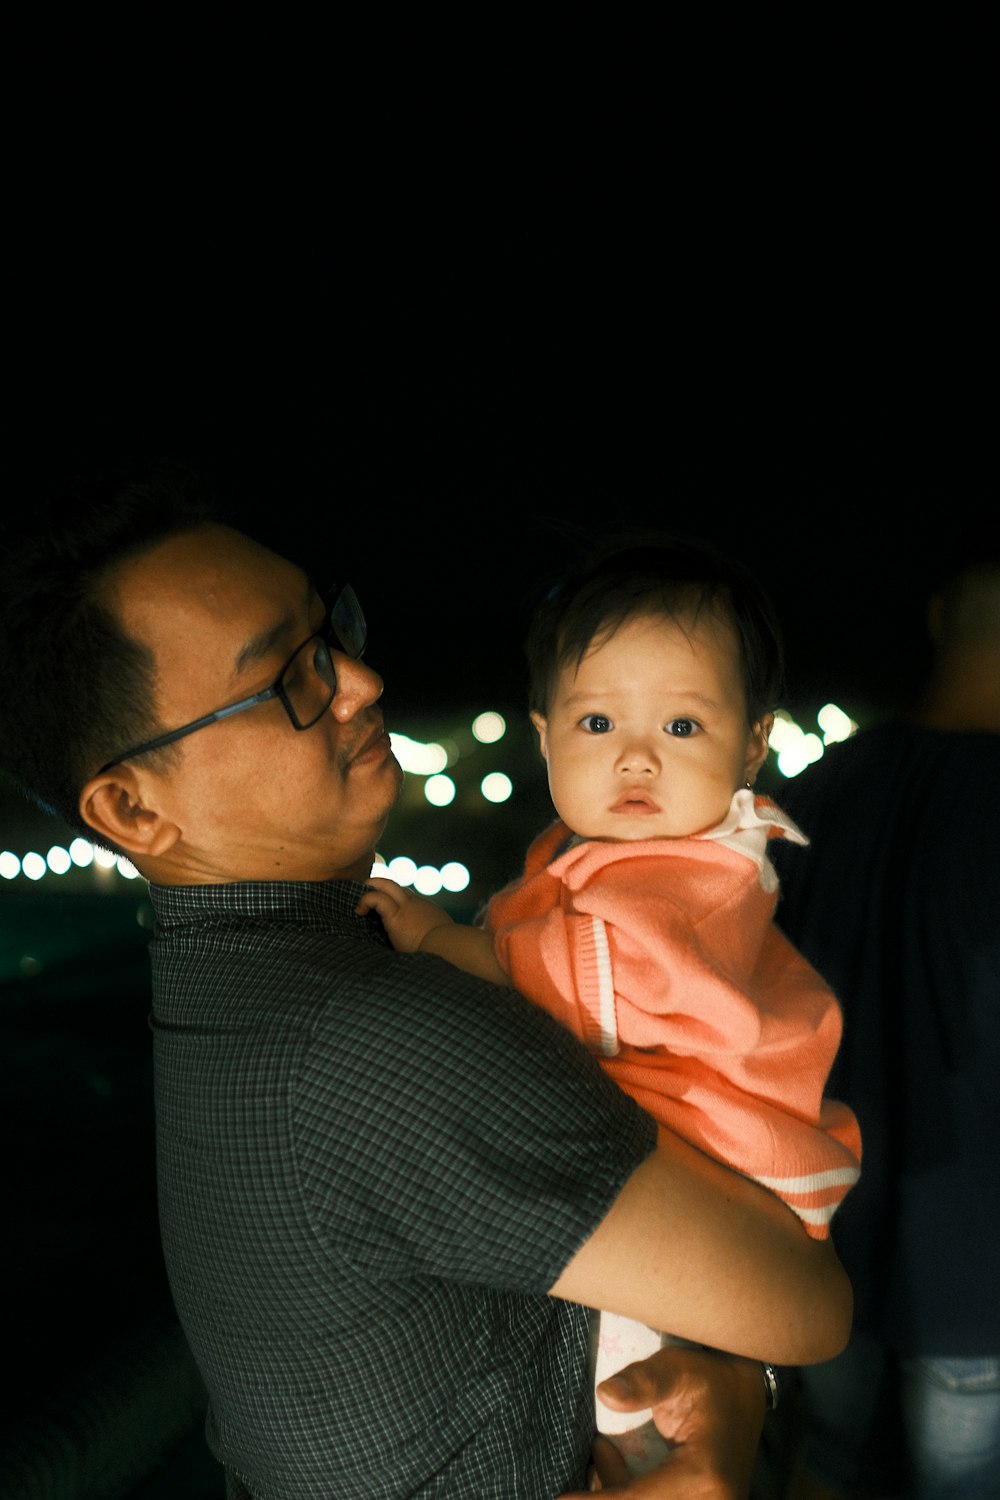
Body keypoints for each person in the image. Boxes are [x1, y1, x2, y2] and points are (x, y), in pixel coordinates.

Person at [0, 466, 852, 1500]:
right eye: (289, 678)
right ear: (133, 812)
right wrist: (738, 1391)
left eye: (334, 634)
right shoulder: (381, 1041)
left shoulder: (218, 1011)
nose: (360, 682)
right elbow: (809, 1306)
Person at [359, 531, 862, 1477]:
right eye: (598, 726)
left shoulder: (678, 881)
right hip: (683, 1182)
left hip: (700, 1168)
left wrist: (436, 942)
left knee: (623, 1405)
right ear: (543, 733)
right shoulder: (638, 855)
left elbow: (559, 978)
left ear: (753, 742)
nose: (636, 761)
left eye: (681, 728)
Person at [770, 520, 1000, 1500]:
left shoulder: (818, 792)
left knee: (820, 1460)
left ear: (940, 615)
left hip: (819, 1230)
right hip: (977, 1266)